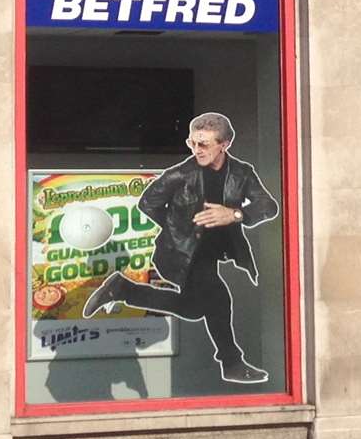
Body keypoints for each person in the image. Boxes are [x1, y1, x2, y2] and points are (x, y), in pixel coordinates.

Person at [83, 112, 278, 384]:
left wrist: (233, 214)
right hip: (181, 255)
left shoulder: (242, 173)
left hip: (211, 254)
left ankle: (123, 289)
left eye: (204, 145)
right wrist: (179, 228)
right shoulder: (180, 174)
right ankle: (232, 363)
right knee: (219, 298)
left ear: (225, 144)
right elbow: (147, 202)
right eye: (193, 143)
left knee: (194, 309)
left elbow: (268, 206)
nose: (197, 151)